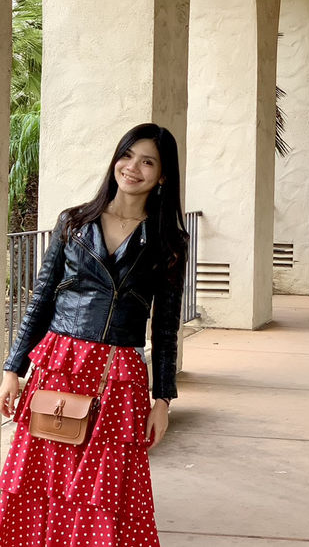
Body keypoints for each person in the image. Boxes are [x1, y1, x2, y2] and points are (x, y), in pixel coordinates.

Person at [0, 123, 188, 547]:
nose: (133, 167)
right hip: (59, 365)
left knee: (104, 491)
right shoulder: (74, 222)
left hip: (118, 376)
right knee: (43, 478)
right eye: (127, 155)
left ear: (163, 176)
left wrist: (163, 400)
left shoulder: (168, 241)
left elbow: (165, 325)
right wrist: (13, 369)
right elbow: (41, 300)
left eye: (148, 161)